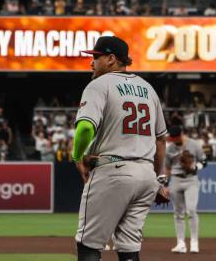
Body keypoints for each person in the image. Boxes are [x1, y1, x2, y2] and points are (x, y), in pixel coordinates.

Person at [71, 36, 169, 261]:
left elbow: (85, 128)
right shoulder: (148, 89)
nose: (91, 62)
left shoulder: (98, 84)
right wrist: (160, 179)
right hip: (146, 176)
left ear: (111, 59)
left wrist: (77, 156)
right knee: (129, 248)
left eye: (96, 57)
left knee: (88, 244)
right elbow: (161, 139)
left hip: (113, 171)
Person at [165, 125, 207, 254]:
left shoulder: (194, 144)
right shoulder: (170, 148)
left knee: (191, 210)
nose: (174, 140)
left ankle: (194, 243)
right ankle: (181, 243)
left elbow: (204, 161)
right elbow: (168, 168)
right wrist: (166, 185)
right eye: (172, 138)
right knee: (178, 213)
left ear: (182, 134)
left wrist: (195, 168)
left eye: (176, 138)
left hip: (190, 180)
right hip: (176, 180)